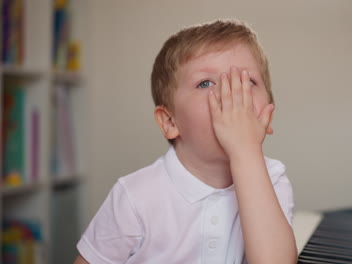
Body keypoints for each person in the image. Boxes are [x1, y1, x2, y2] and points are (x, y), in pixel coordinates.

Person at [74, 19, 297, 264]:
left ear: (268, 113)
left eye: (248, 82)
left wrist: (246, 151)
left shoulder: (272, 179)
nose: (231, 95)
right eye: (205, 83)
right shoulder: (135, 195)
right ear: (170, 122)